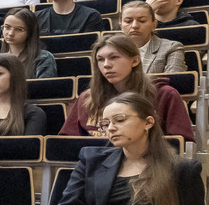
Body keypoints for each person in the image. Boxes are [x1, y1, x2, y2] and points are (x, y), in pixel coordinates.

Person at [55, 91, 204, 205]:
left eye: (120, 120)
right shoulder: (90, 159)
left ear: (148, 122)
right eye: (105, 123)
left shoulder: (183, 170)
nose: (111, 128)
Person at [62, 34, 194, 139]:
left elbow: (180, 146)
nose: (106, 64)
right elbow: (67, 144)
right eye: (100, 59)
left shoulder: (165, 95)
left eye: (114, 57)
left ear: (135, 61)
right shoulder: (87, 98)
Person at [119, 2, 187, 74]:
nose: (134, 25)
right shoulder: (112, 50)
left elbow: (173, 80)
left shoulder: (171, 48)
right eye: (128, 21)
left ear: (154, 25)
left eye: (142, 21)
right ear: (121, 26)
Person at [0, 7, 56, 79]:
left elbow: (44, 85)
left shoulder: (43, 58)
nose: (11, 33)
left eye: (19, 29)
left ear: (30, 32)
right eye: (7, 27)